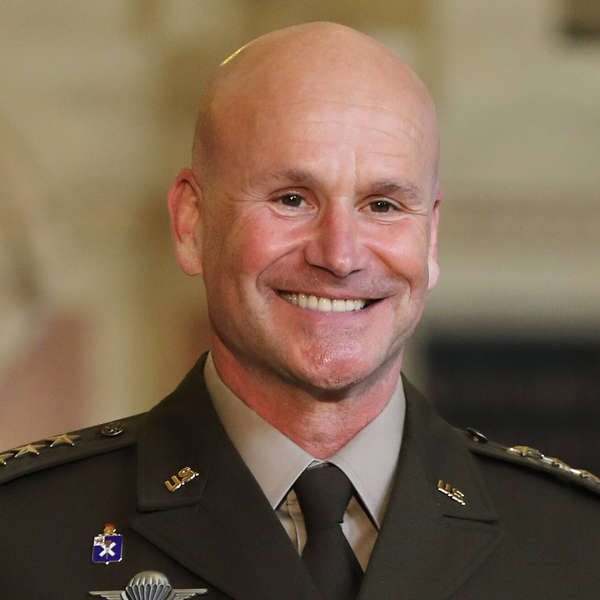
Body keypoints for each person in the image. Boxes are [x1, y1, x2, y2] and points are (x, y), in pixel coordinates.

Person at [1, 22, 599, 600]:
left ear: (431, 238)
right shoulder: (22, 534)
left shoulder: (577, 543)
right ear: (192, 223)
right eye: (291, 199)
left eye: (383, 205)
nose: (340, 255)